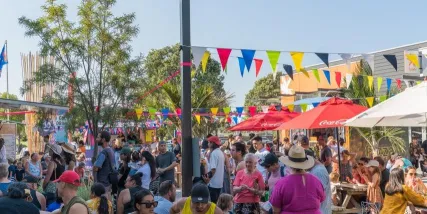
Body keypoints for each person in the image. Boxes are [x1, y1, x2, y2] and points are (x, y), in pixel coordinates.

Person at [270, 145, 325, 213]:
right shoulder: (316, 180)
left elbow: (276, 210)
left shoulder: (281, 183)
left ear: (289, 163)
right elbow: (321, 199)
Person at [93, 130, 116, 200]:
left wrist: (95, 181)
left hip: (102, 184)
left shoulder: (104, 152)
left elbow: (96, 167)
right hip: (108, 183)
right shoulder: (111, 151)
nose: (97, 139)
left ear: (103, 140)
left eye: (99, 137)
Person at [202, 135, 224, 204]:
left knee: (212, 204)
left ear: (212, 143)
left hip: (213, 183)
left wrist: (207, 177)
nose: (208, 143)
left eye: (209, 142)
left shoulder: (214, 153)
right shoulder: (220, 152)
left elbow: (213, 169)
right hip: (219, 183)